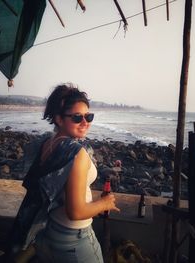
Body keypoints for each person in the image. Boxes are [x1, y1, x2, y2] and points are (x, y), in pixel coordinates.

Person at [9, 83, 120, 263]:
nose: (85, 122)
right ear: (59, 119)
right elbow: (75, 212)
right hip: (75, 238)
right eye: (77, 118)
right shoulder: (77, 153)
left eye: (88, 116)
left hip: (51, 231)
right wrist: (104, 204)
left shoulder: (47, 143)